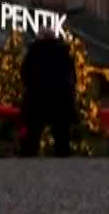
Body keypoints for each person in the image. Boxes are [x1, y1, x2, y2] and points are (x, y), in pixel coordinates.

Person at [20, 26, 76, 157]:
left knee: (33, 133)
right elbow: (72, 76)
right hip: (61, 99)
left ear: (40, 37)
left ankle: (28, 159)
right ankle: (63, 160)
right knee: (61, 133)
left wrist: (31, 85)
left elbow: (24, 73)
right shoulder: (63, 52)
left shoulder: (34, 51)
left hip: (37, 98)